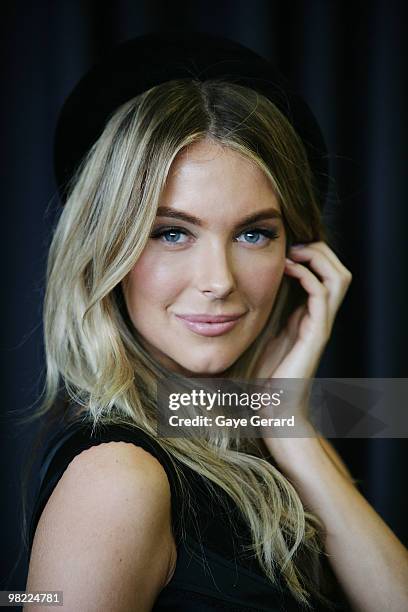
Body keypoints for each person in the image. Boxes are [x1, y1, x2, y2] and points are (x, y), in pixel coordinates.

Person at [22, 32, 408, 611]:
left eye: (254, 233)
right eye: (172, 232)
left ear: (295, 256)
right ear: (106, 249)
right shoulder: (117, 476)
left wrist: (286, 421)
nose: (219, 280)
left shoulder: (244, 420)